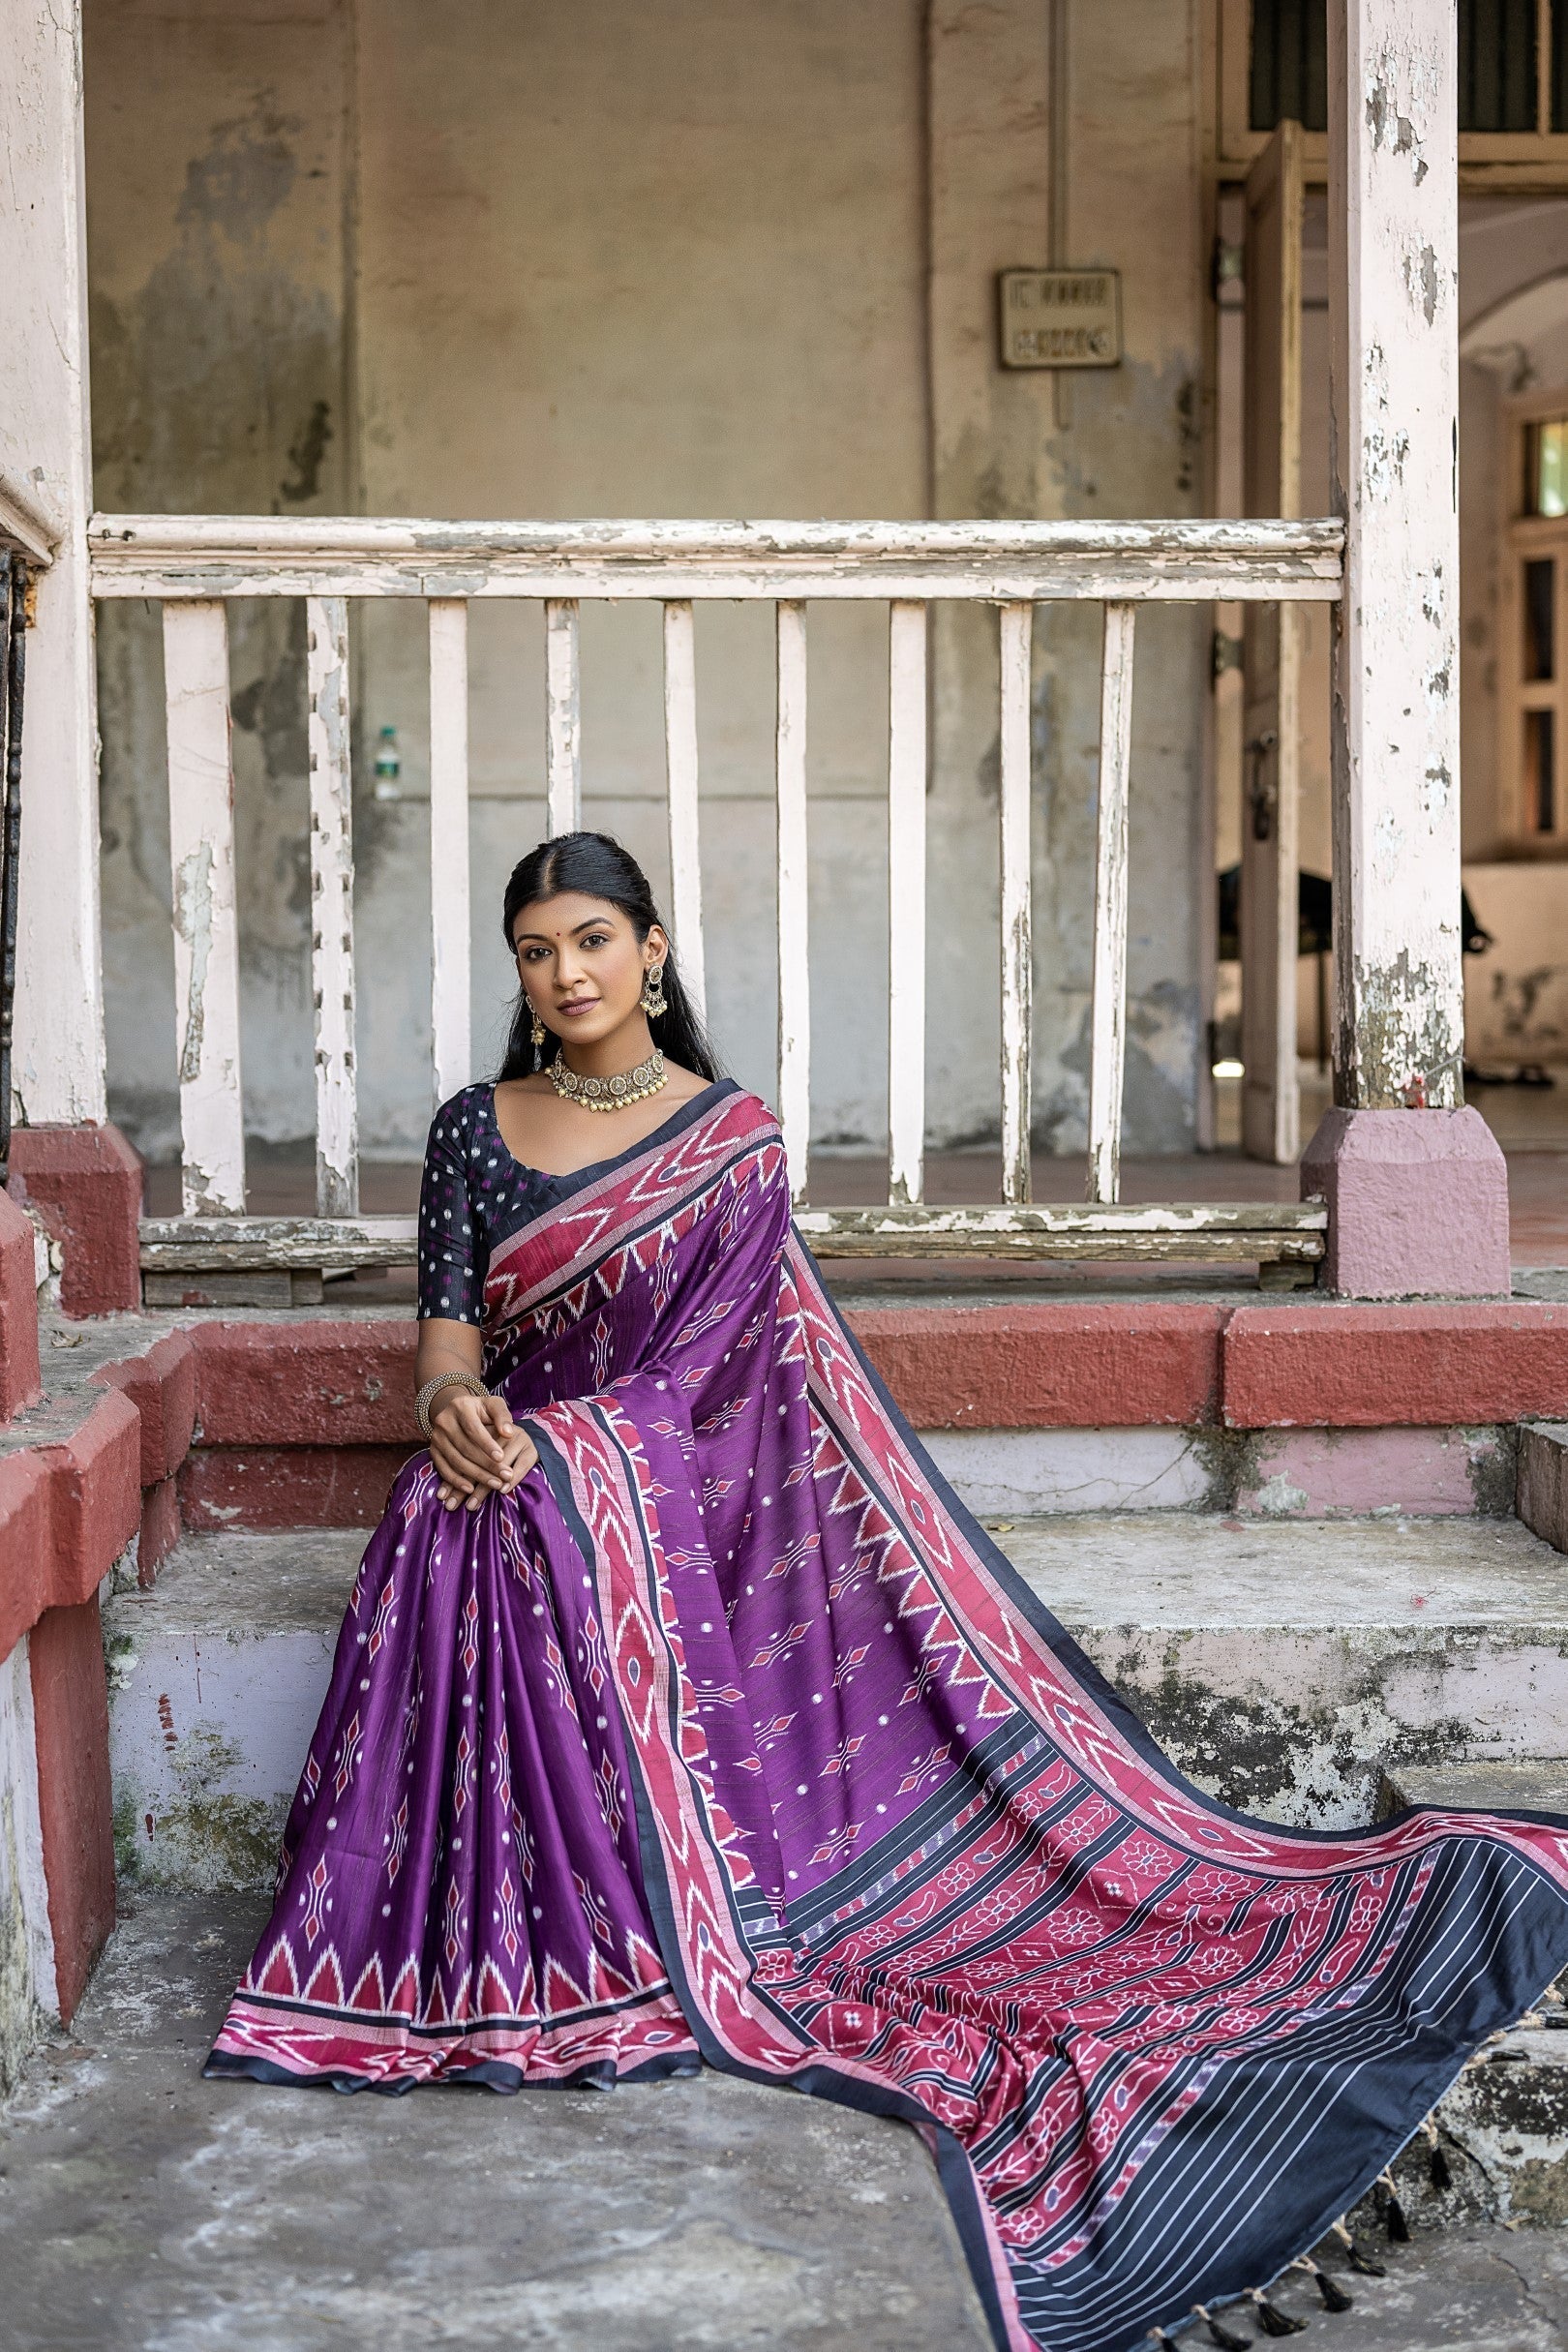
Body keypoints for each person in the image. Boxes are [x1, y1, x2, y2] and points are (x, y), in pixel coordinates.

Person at [210, 830, 1568, 2352]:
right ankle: (478, 1932)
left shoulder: (731, 1142)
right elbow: (447, 1337)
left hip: (655, 1505)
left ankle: (613, 1871)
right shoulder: (473, 1131)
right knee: (443, 1506)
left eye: (592, 939)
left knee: (514, 1508)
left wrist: (559, 1450)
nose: (566, 973)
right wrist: (458, 1408)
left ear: (653, 950)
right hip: (519, 1481)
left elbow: (717, 1395)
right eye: (536, 951)